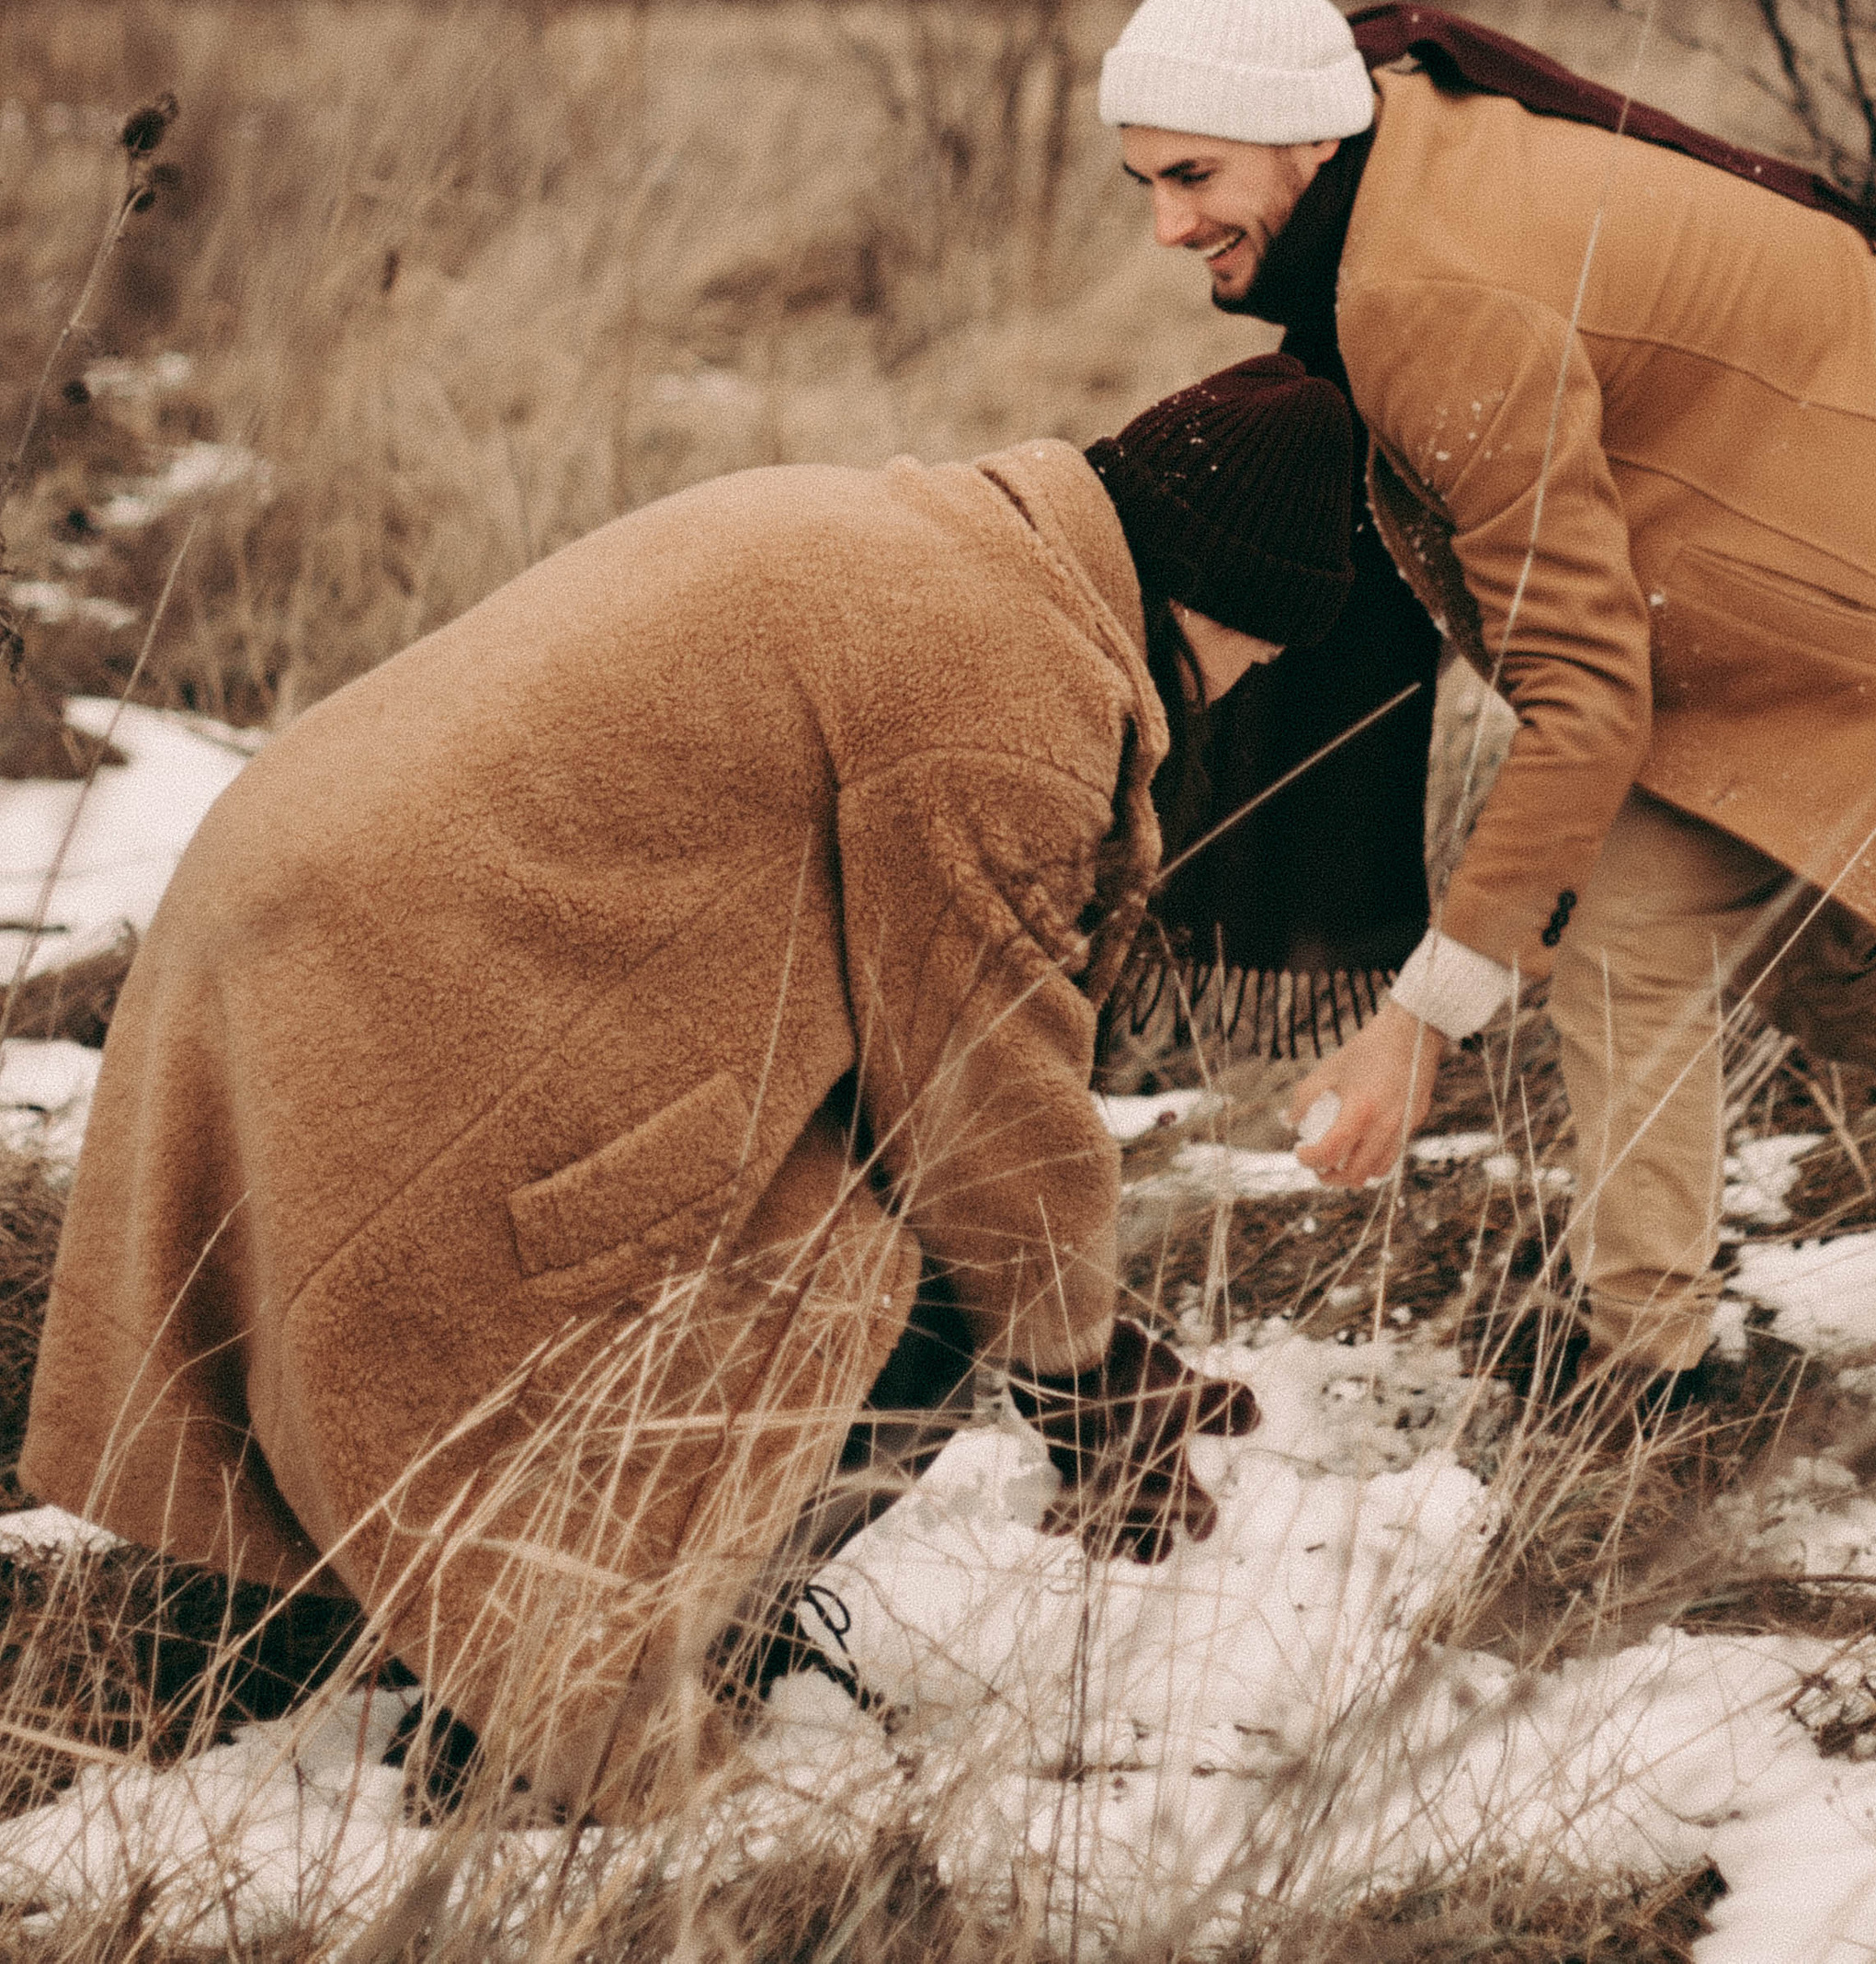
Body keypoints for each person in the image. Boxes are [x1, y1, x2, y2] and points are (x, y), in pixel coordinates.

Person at [24, 353, 1355, 1806]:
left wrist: (1091, 1348)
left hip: (306, 939)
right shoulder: (1007, 684)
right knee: (901, 1284)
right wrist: (1086, 1376)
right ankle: (571, 1698)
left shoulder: (931, 540)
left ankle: (515, 1626)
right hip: (393, 998)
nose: (1251, 688)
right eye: (1265, 658)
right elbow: (983, 1101)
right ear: (1233, 610)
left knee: (872, 1212)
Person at [1100, 0, 1876, 1405]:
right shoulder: (1401, 139)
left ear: (1306, 132)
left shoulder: (1429, 292)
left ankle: (1644, 1364)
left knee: (1627, 936)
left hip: (1870, 531)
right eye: (1144, 179)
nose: (1167, 223)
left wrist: (1421, 1019)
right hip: (1839, 497)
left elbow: (1588, 691)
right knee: (1822, 957)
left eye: (1194, 174)